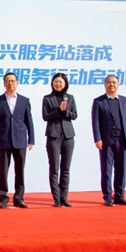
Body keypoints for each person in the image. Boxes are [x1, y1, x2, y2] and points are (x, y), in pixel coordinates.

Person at [0, 72, 35, 209]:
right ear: (4, 83)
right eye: (7, 81)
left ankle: (19, 198)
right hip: (3, 140)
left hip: (20, 139)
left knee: (20, 171)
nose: (10, 83)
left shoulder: (24, 100)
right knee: (3, 171)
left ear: (17, 83)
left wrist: (31, 139)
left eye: (13, 81)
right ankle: (3, 198)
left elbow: (29, 121)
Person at [91, 75, 126, 207]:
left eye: (114, 82)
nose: (111, 85)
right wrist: (97, 139)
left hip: (122, 140)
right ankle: (107, 196)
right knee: (106, 170)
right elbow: (95, 122)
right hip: (106, 141)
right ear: (105, 85)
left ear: (118, 84)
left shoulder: (125, 101)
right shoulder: (98, 101)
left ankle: (119, 196)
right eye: (109, 82)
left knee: (121, 169)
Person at [42, 73, 77, 208]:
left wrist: (65, 111)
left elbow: (74, 115)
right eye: (56, 81)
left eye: (60, 82)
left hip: (68, 136)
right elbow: (45, 116)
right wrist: (58, 111)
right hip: (53, 136)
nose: (58, 84)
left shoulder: (70, 98)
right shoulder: (47, 98)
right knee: (54, 168)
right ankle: (56, 198)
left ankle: (64, 198)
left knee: (66, 169)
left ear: (65, 84)